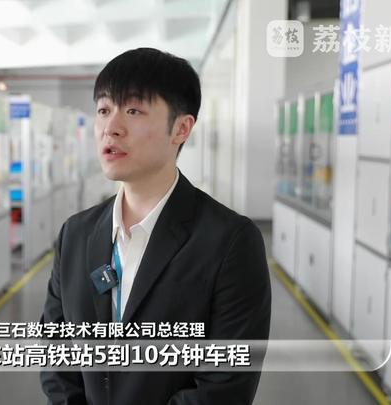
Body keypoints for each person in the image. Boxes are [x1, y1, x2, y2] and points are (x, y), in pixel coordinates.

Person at [40, 47, 271, 405]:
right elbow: (56, 354)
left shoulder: (229, 242)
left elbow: (224, 386)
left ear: (181, 128)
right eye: (104, 110)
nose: (111, 128)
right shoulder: (76, 234)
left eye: (133, 111)